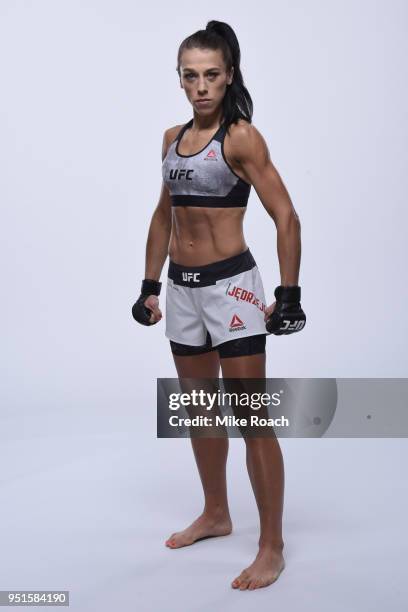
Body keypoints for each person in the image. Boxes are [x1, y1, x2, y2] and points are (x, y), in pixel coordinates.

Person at [132, 20, 305, 591]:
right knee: (201, 410)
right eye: (191, 76)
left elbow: (286, 215)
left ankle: (272, 546)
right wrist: (149, 285)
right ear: (179, 81)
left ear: (229, 76)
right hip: (182, 290)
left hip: (232, 288)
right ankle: (216, 512)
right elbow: (165, 216)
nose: (201, 86)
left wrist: (288, 294)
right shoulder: (171, 138)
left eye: (211, 75)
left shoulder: (240, 138)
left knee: (251, 417)